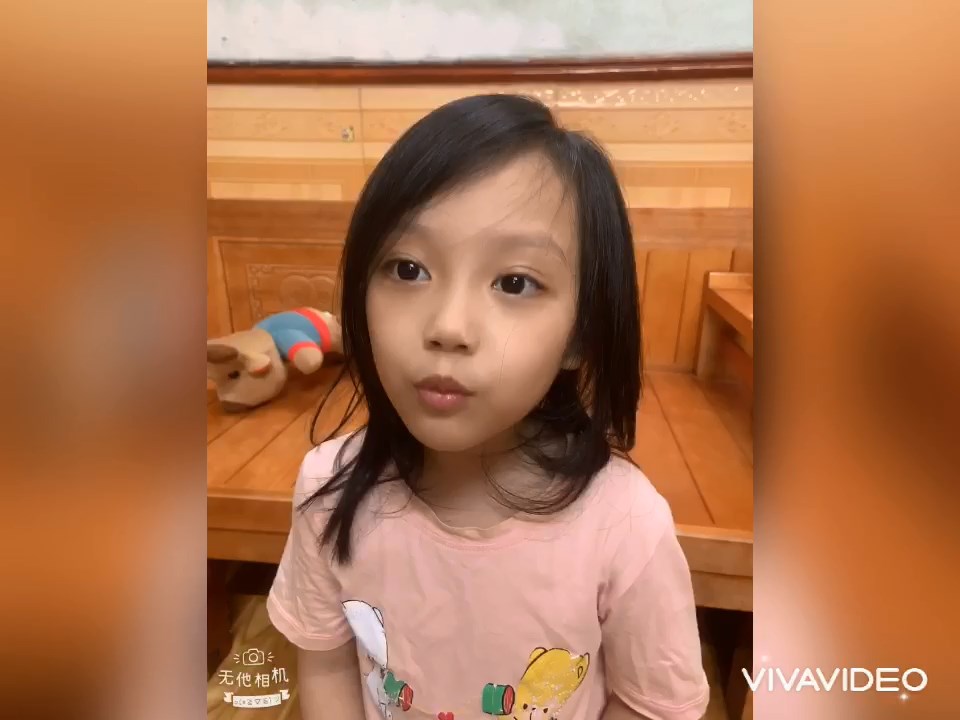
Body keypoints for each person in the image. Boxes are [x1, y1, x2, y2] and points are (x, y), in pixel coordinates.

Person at [266, 94, 710, 720]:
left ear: (580, 334)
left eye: (515, 282)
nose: (448, 326)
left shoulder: (625, 526)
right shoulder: (328, 491)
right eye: (408, 269)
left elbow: (649, 704)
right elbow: (327, 662)